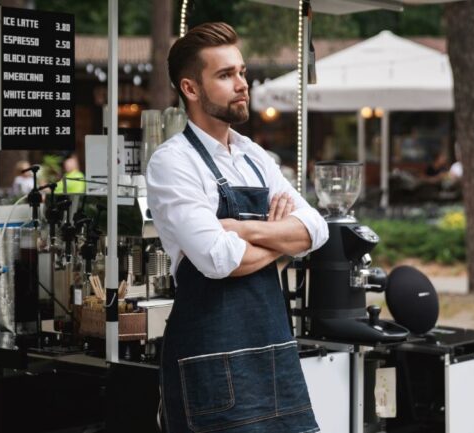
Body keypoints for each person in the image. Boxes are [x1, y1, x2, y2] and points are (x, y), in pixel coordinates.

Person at [146, 23, 328, 433]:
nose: (242, 84)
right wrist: (281, 237)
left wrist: (243, 229)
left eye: (241, 72)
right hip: (210, 364)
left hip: (274, 357)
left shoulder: (253, 156)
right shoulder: (173, 162)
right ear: (191, 89)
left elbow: (315, 230)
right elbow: (218, 259)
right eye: (225, 75)